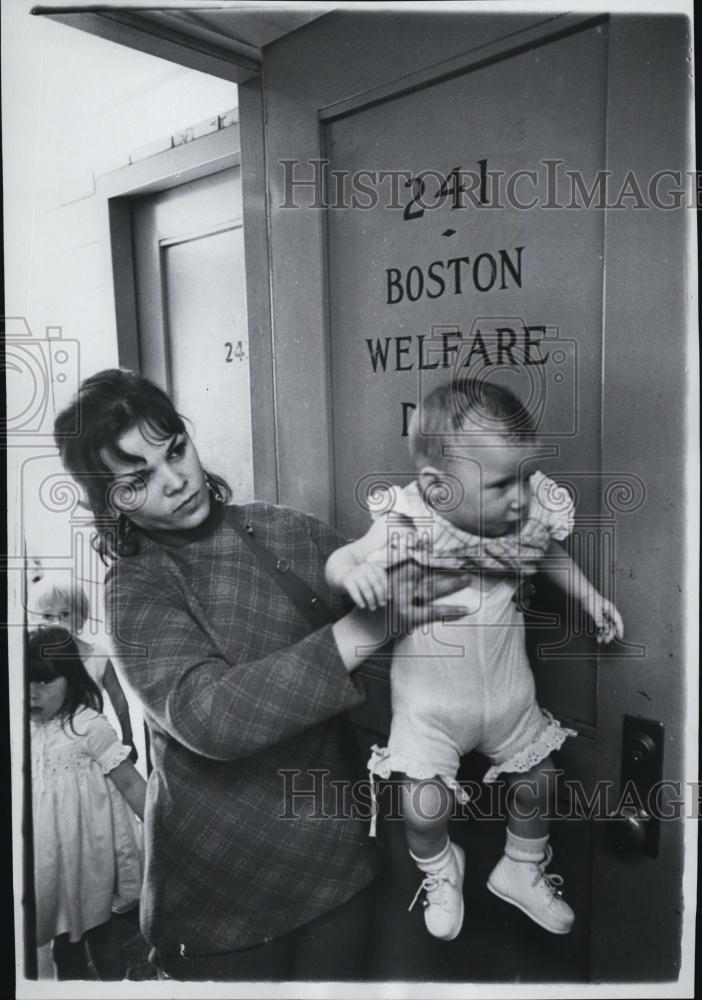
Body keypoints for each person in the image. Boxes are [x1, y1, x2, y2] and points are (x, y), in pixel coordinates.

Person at [52, 368, 474, 982]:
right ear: (108, 501)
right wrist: (360, 632)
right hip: (220, 896)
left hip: (338, 865)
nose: (175, 482)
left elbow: (388, 605)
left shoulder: (285, 529)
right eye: (138, 479)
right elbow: (209, 716)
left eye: (176, 451)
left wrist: (447, 540)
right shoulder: (135, 588)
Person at [325, 377, 624, 942]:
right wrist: (355, 574)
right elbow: (342, 559)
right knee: (422, 806)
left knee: (541, 780)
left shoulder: (523, 516)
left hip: (509, 698)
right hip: (430, 710)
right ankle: (441, 868)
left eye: (526, 475)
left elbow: (551, 557)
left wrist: (588, 596)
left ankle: (521, 867)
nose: (521, 495)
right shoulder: (407, 520)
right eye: (503, 483)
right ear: (438, 489)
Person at [28, 626, 146, 980]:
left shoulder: (88, 726)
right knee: (64, 941)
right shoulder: (25, 731)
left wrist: (164, 832)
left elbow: (130, 782)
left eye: (45, 681)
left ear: (72, 678)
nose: (33, 693)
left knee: (99, 927)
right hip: (48, 861)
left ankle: (113, 986)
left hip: (88, 854)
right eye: (26, 682)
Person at [26, 575, 137, 762]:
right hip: (50, 748)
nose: (57, 622)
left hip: (91, 743)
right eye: (47, 616)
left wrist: (128, 738)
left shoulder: (97, 655)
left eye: (65, 614)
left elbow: (118, 699)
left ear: (82, 616)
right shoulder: (34, 660)